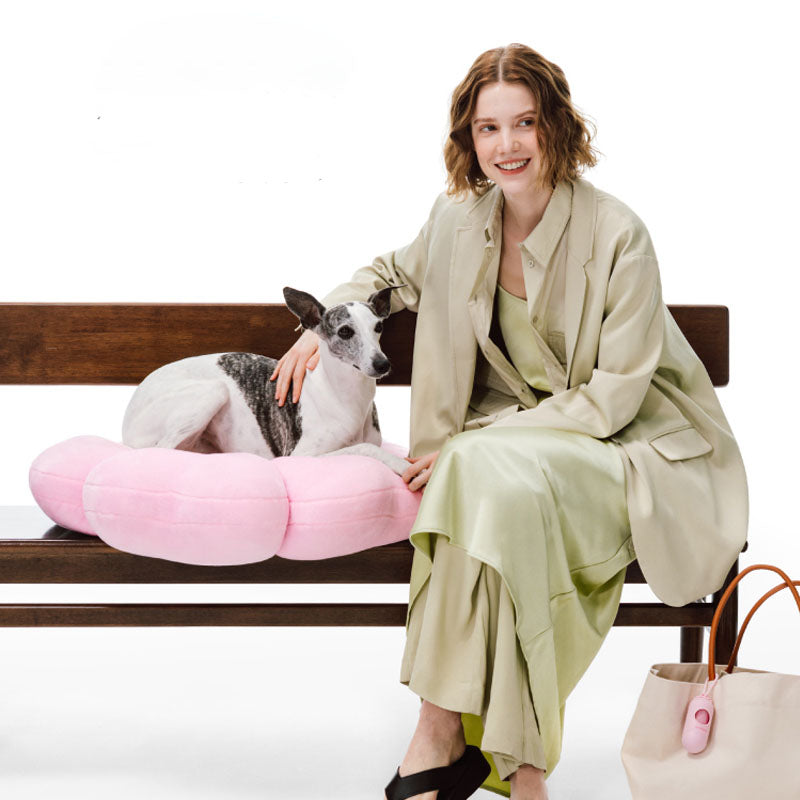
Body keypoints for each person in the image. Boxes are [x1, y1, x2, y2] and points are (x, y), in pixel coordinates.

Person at [269, 43, 748, 800]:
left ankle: (438, 740)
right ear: (469, 138)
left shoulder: (618, 234)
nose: (507, 145)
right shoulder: (459, 219)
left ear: (555, 124)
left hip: (623, 447)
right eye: (488, 128)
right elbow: (389, 274)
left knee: (470, 470)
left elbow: (614, 399)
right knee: (492, 497)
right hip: (509, 467)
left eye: (524, 122)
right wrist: (317, 324)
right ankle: (517, 770)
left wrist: (482, 439)